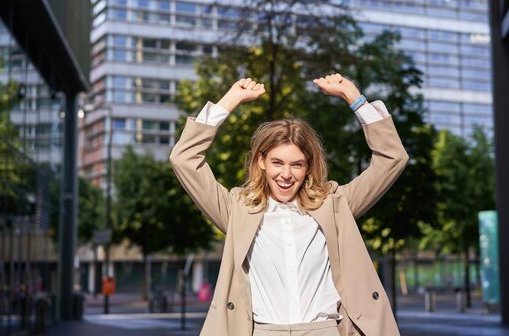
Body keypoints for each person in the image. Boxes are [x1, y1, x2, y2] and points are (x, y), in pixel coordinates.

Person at [170, 74, 409, 336]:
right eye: (277, 163)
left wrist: (355, 98)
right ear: (261, 161)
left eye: (297, 164)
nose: (286, 174)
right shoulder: (237, 210)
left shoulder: (335, 204)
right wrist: (229, 101)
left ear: (308, 168)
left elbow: (392, 158)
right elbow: (184, 160)